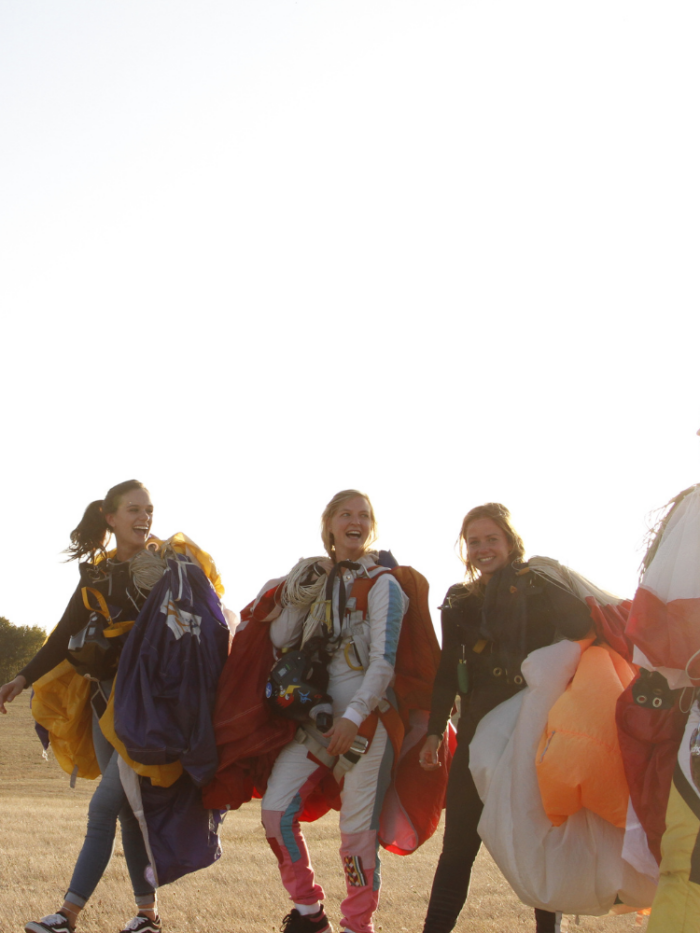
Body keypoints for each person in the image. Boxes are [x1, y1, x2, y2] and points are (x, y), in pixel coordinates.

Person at [0, 480, 229, 933]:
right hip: (103, 704)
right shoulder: (96, 576)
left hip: (148, 713)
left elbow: (207, 624)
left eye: (149, 509)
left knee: (103, 809)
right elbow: (65, 635)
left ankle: (67, 914)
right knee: (126, 811)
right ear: (110, 517)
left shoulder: (172, 567)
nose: (144, 517)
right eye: (133, 510)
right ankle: (148, 915)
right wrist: (22, 678)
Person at [418, 503, 593, 933]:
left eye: (490, 539)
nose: (482, 549)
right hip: (477, 727)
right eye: (473, 541)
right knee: (458, 843)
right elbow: (446, 672)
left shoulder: (539, 586)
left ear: (510, 541)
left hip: (532, 730)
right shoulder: (459, 601)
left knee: (537, 839)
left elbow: (584, 627)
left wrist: (551, 579)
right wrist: (435, 730)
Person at [260, 489, 409, 933]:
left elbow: (383, 662)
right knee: (274, 813)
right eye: (346, 513)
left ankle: (357, 925)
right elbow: (280, 637)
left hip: (366, 725)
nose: (355, 520)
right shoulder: (318, 578)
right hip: (316, 720)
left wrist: (352, 716)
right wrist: (298, 588)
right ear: (329, 525)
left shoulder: (384, 584)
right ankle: (309, 911)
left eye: (364, 515)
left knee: (355, 836)